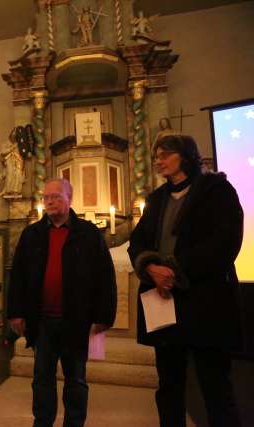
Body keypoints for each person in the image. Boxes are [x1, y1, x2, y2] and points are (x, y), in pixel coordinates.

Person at [128, 135, 243, 427]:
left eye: (165, 154)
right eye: (156, 155)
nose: (158, 160)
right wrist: (150, 267)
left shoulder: (217, 191)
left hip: (205, 302)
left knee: (214, 384)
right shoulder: (157, 198)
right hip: (164, 301)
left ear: (186, 156)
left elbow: (225, 242)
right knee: (169, 384)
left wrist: (176, 270)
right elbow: (137, 243)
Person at [8, 177, 116, 427]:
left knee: (76, 380)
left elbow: (105, 277)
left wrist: (103, 317)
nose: (50, 201)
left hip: (75, 321)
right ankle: (42, 423)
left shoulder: (88, 233)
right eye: (46, 197)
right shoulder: (31, 234)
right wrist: (15, 313)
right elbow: (18, 276)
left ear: (70, 198)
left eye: (56, 196)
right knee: (42, 379)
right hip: (42, 321)